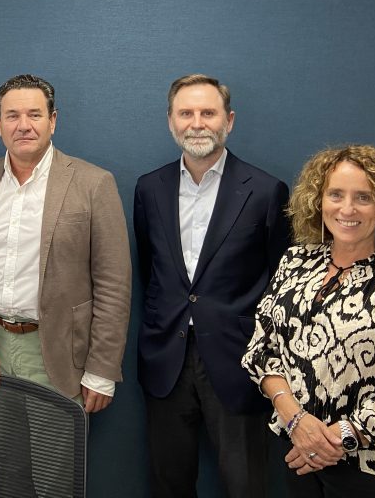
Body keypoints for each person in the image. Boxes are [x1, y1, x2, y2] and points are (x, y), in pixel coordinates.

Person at [243, 144, 375, 498]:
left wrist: (334, 440)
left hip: (372, 469)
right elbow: (261, 351)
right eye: (336, 194)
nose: (347, 209)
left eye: (363, 197)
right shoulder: (295, 262)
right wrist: (296, 422)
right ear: (318, 201)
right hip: (297, 455)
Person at [134, 73, 290, 498]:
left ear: (229, 120)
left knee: (245, 486)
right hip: (166, 359)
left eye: (208, 112)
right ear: (171, 121)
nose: (197, 123)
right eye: (186, 113)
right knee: (168, 485)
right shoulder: (149, 188)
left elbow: (281, 284)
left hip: (239, 362)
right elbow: (151, 270)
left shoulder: (266, 191)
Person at [0, 74, 131, 410]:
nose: (24, 126)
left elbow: (113, 285)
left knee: (55, 447)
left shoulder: (94, 184)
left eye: (34, 115)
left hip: (60, 354)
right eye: (12, 116)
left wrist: (102, 369)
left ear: (53, 121)